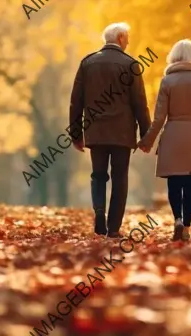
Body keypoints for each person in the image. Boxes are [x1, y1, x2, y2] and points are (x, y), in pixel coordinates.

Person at [68, 22, 151, 238]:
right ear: (121, 38)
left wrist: (76, 134)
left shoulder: (88, 63)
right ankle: (113, 227)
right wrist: (146, 135)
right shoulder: (131, 65)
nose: (129, 41)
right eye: (128, 37)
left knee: (98, 175)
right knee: (120, 177)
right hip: (122, 133)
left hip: (96, 131)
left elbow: (76, 101)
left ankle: (99, 212)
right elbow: (139, 103)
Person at [137, 39, 191, 241]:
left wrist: (147, 140)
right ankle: (187, 229)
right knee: (190, 183)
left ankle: (177, 220)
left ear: (173, 57)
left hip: (173, 134)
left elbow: (159, 118)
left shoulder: (166, 82)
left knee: (174, 182)